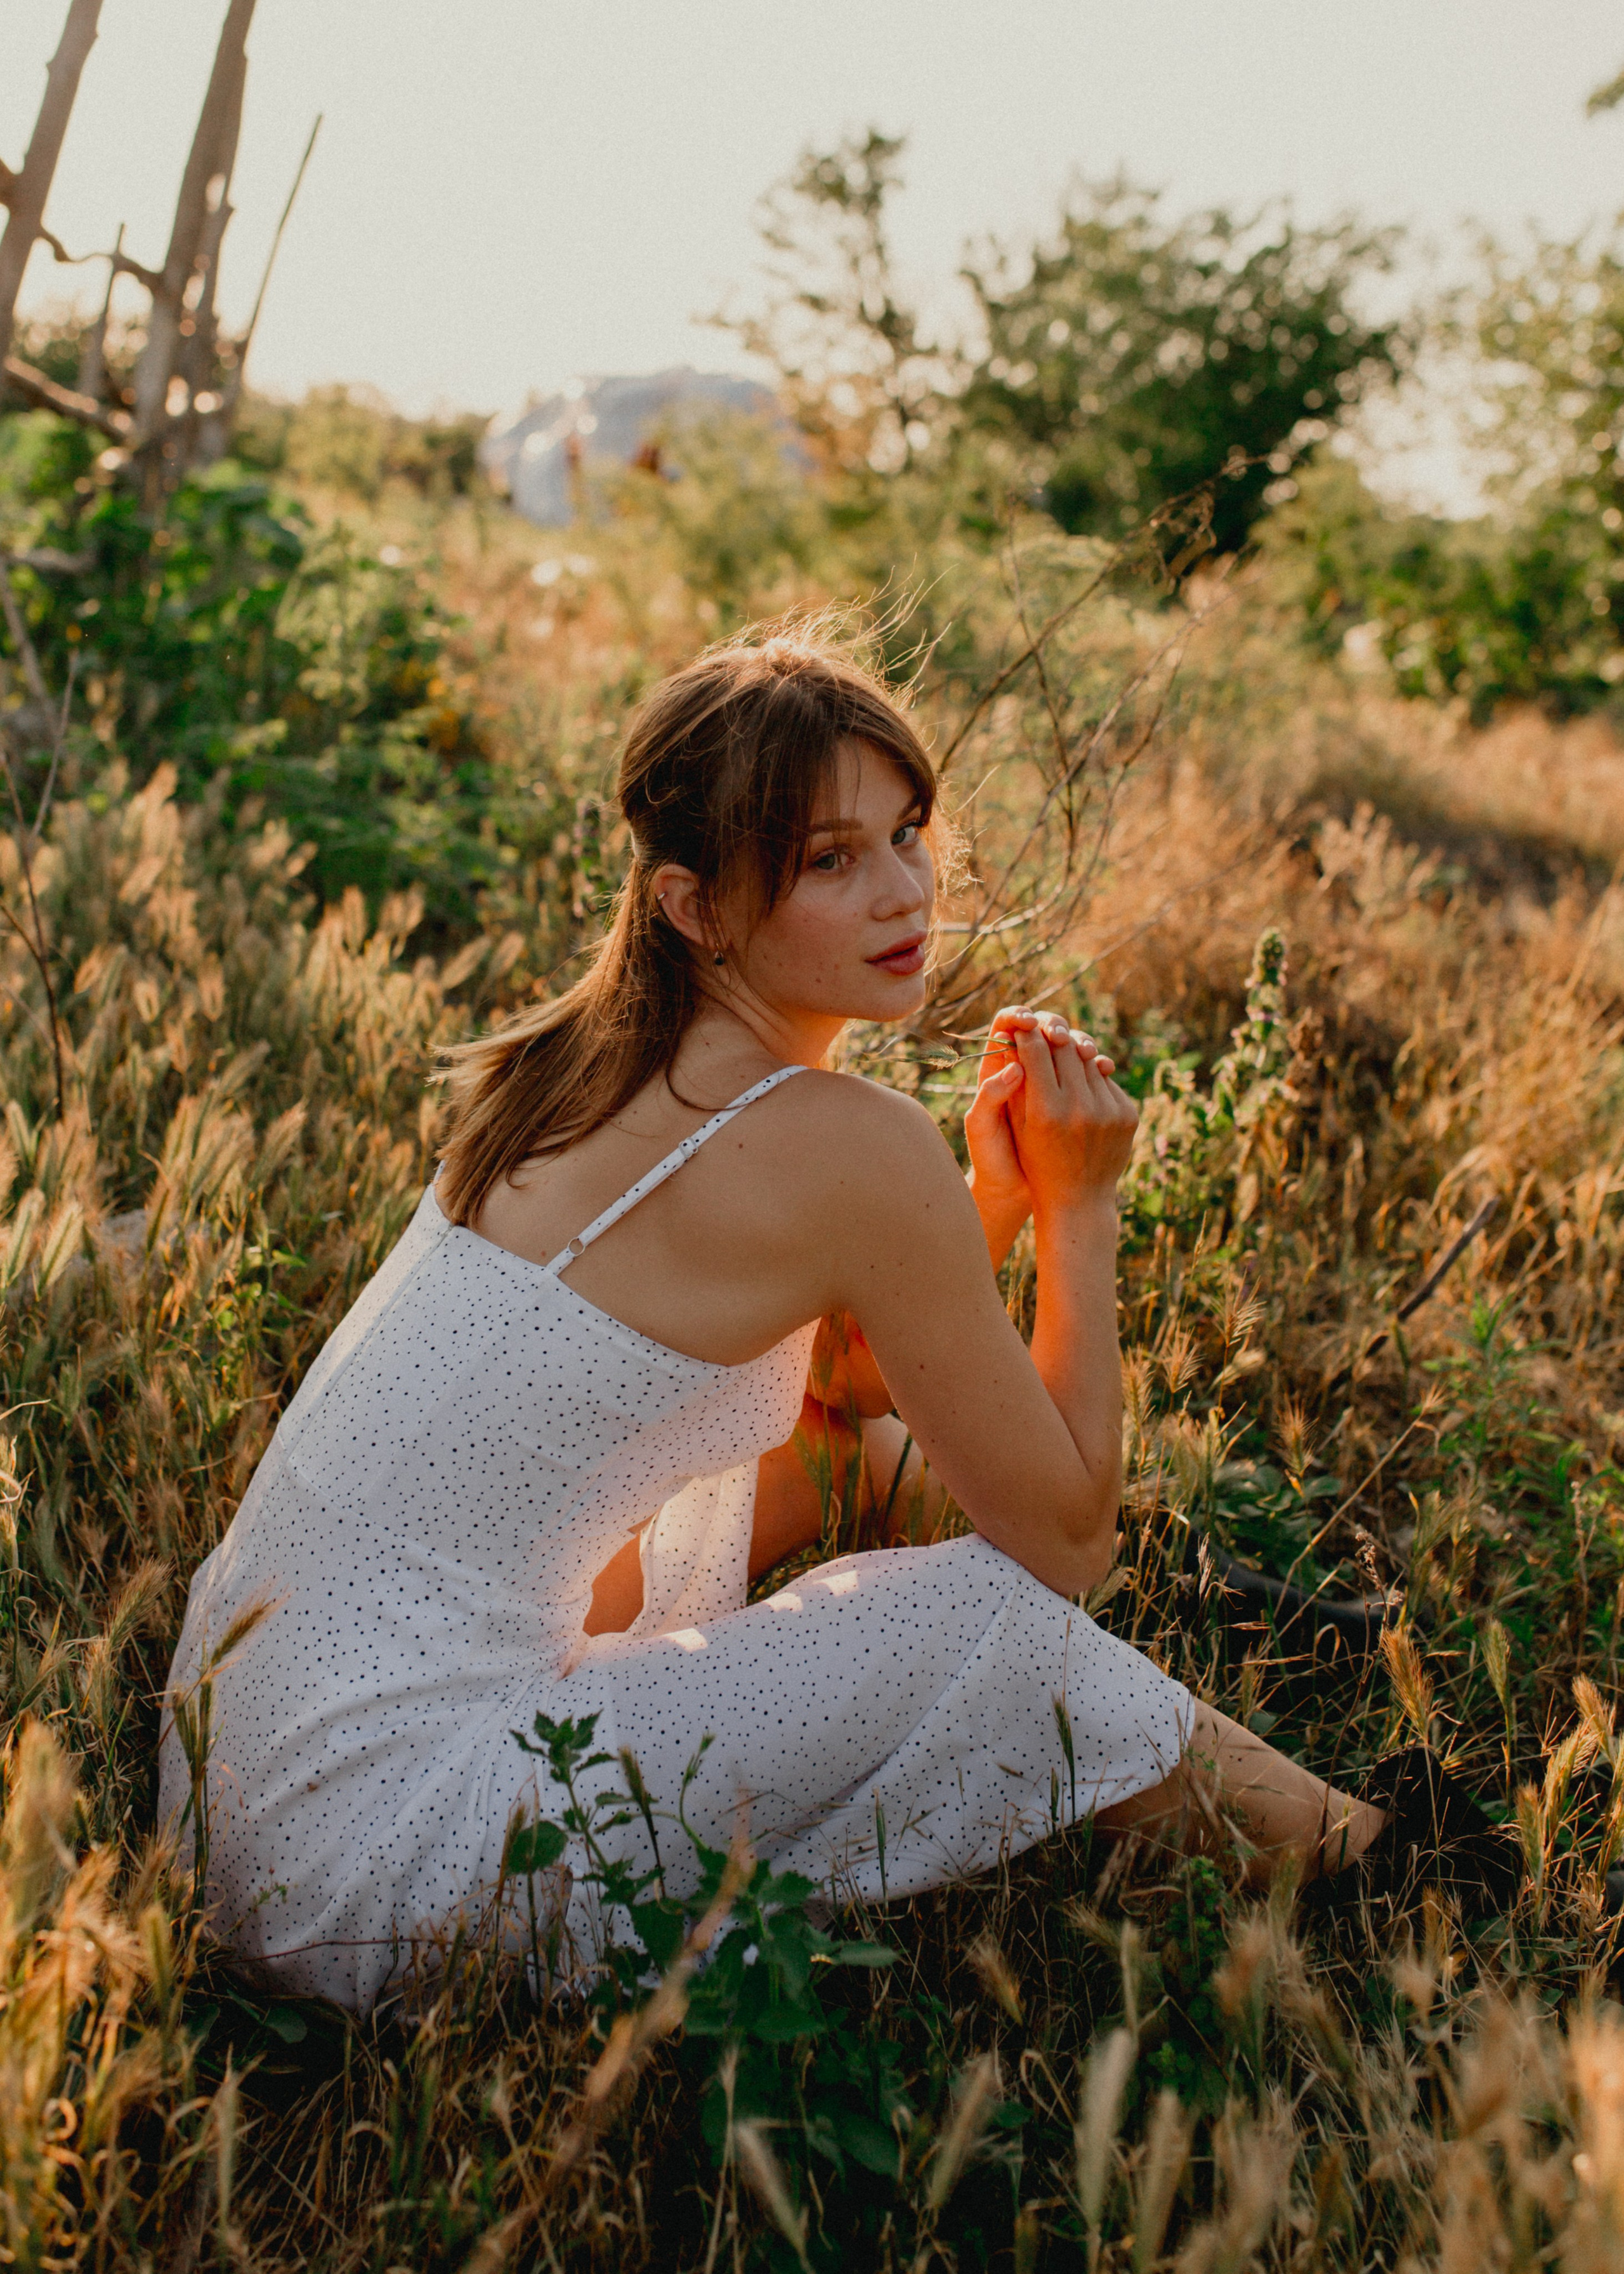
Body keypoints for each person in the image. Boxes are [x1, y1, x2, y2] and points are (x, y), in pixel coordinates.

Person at [159, 627, 1510, 2015]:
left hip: (243, 1794)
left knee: (835, 1464)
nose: (903, 891)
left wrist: (975, 1204)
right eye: (827, 859)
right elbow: (1061, 1543)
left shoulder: (568, 1061)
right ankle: (1384, 1863)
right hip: (389, 1866)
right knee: (983, 1619)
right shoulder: (836, 1142)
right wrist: (1076, 1208)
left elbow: (843, 1391)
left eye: (907, 832)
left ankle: (1280, 1624)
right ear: (695, 905)